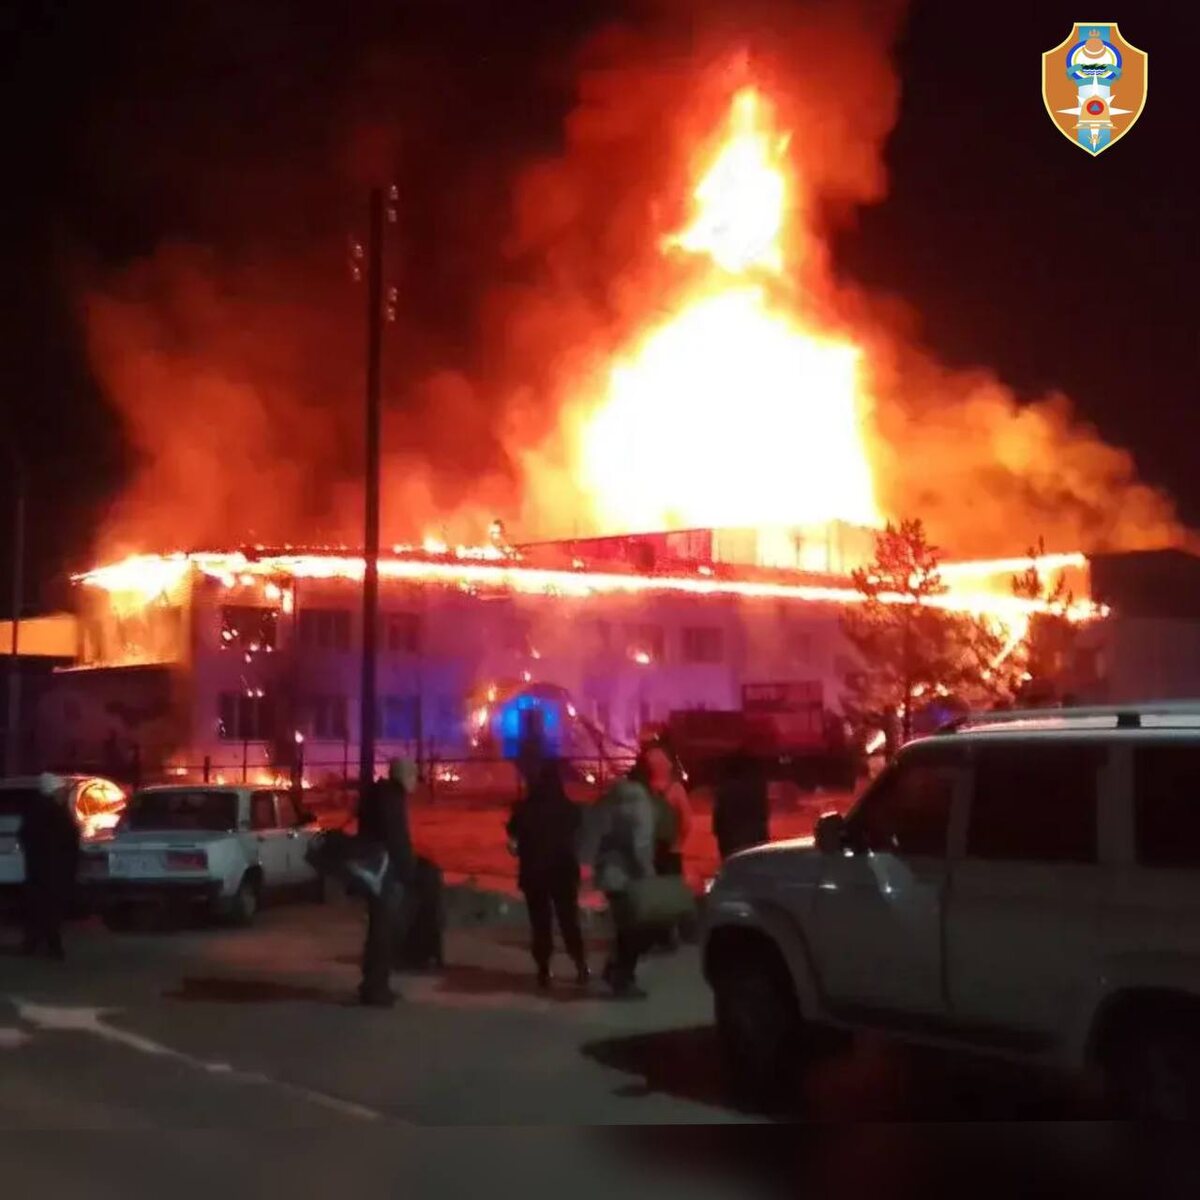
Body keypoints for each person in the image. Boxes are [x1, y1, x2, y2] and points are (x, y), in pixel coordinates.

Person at [507, 757, 588, 990]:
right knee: (568, 919)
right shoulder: (569, 809)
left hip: (534, 874)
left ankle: (543, 968)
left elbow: (513, 838)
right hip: (562, 871)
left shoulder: (525, 809)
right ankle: (580, 964)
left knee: (540, 923)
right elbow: (578, 833)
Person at [581, 756, 658, 998]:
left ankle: (615, 972)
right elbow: (640, 842)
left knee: (624, 929)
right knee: (635, 930)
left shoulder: (611, 798)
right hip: (630, 876)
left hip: (609, 874)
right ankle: (622, 978)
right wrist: (647, 873)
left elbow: (594, 832)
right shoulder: (640, 801)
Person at [357, 758, 417, 1007]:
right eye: (414, 777)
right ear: (405, 777)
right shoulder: (393, 799)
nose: (416, 783)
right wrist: (409, 871)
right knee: (383, 931)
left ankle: (373, 983)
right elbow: (397, 839)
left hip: (373, 870)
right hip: (384, 874)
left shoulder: (379, 795)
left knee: (378, 929)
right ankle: (376, 988)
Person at [19, 775, 80, 960]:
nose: (64, 794)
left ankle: (34, 944)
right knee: (50, 909)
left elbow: (25, 836)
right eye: (61, 791)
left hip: (42, 869)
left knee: (41, 908)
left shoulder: (38, 811)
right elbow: (64, 840)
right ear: (53, 792)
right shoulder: (53, 813)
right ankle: (52, 948)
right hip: (52, 870)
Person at [712, 750, 769, 862]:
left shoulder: (725, 789)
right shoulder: (757, 788)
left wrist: (718, 832)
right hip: (754, 839)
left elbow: (719, 816)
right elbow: (763, 815)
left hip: (731, 840)